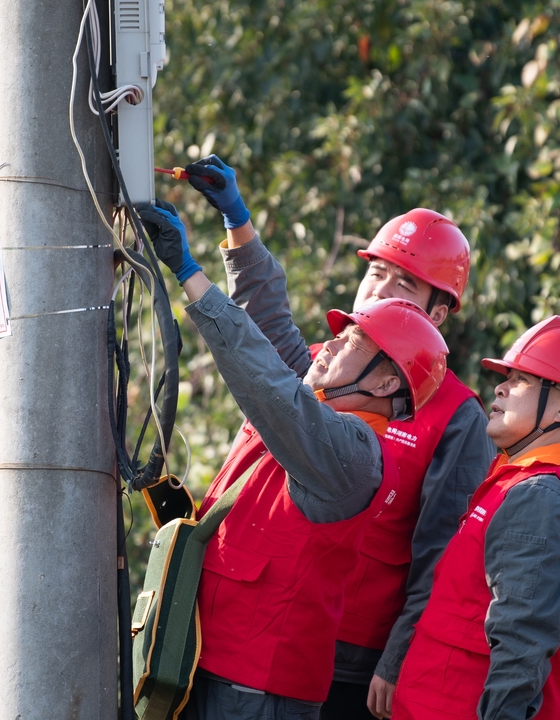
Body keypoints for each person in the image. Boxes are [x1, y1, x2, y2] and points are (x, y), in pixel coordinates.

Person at [183, 155, 494, 719]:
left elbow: (442, 553)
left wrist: (397, 660)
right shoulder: (330, 369)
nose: (381, 291)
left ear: (440, 312)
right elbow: (267, 331)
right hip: (252, 633)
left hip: (351, 658)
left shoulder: (457, 416)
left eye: (405, 283)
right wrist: (236, 220)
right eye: (377, 273)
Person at [134, 198, 449, 720]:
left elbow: (263, 378)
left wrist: (192, 275)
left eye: (352, 341)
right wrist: (237, 224)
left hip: (256, 687)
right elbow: (268, 328)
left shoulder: (356, 455)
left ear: (387, 381)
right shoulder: (317, 405)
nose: (330, 345)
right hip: (208, 658)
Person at [390, 315, 560, 720]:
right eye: (507, 377)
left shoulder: (540, 499)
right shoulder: (521, 483)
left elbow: (520, 649)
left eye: (522, 380)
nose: (500, 388)